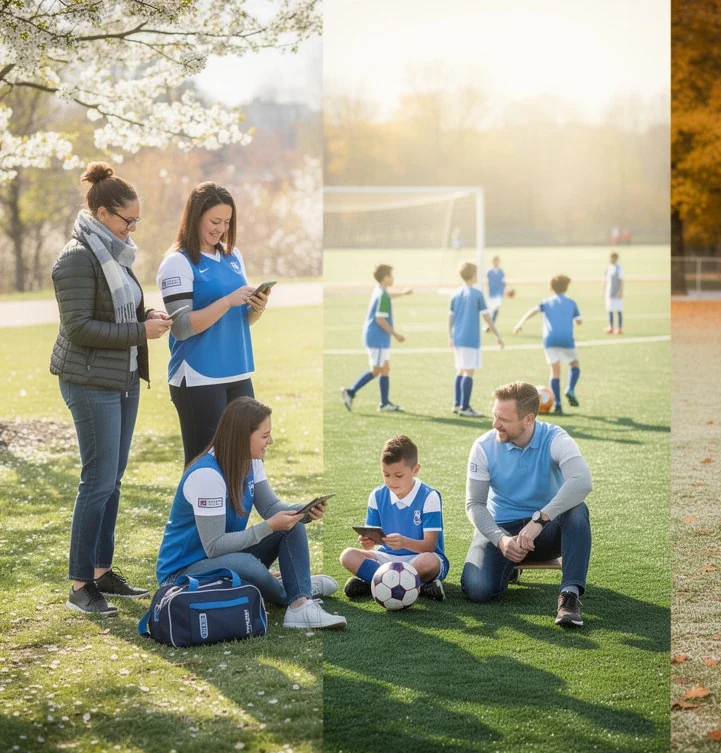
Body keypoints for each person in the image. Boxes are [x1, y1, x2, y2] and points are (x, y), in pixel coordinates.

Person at [52, 162, 172, 615]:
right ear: (103, 214)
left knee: (112, 479)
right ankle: (81, 586)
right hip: (87, 380)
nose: (134, 228)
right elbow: (80, 328)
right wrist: (140, 334)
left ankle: (102, 571)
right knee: (97, 480)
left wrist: (147, 320)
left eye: (137, 220)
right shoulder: (76, 258)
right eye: (129, 220)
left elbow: (121, 313)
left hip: (120, 377)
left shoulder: (114, 253)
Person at [154, 397, 346, 629]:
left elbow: (271, 508)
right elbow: (213, 546)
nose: (271, 441)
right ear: (242, 437)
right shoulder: (207, 476)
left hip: (224, 555)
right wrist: (268, 526)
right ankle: (292, 591)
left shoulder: (251, 461)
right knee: (248, 564)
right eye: (265, 436)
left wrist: (303, 512)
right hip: (182, 571)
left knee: (291, 524)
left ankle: (299, 602)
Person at [461, 382, 593, 627]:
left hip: (545, 533)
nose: (495, 424)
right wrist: (501, 540)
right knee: (477, 590)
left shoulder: (555, 437)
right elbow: (475, 504)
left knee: (577, 509)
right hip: (500, 530)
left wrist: (540, 520)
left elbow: (582, 481)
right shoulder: (483, 446)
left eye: (503, 419)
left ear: (528, 419)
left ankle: (570, 595)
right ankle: (509, 564)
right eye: (494, 415)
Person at [158, 183, 270, 461]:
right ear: (195, 217)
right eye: (215, 221)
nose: (221, 228)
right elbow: (182, 327)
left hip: (238, 370)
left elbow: (241, 321)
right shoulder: (177, 262)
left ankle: (238, 507)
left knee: (245, 458)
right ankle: (191, 508)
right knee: (203, 462)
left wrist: (257, 308)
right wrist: (226, 301)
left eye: (227, 222)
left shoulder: (234, 256)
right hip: (198, 375)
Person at [340, 435, 448, 601]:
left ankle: (375, 584)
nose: (391, 481)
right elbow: (375, 539)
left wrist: (404, 542)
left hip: (419, 559)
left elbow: (430, 546)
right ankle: (419, 589)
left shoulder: (429, 496)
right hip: (386, 559)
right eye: (386, 474)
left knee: (430, 561)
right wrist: (369, 542)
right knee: (347, 556)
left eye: (398, 475)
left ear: (415, 469)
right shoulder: (377, 495)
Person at [342, 264, 411, 413]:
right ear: (385, 277)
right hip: (377, 338)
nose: (393, 278)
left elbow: (388, 297)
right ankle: (351, 392)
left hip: (377, 338)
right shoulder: (383, 295)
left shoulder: (380, 291)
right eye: (391, 275)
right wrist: (396, 334)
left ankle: (384, 403)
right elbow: (380, 319)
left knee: (385, 368)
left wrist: (403, 294)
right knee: (377, 370)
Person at [514, 274, 582, 414]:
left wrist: (521, 323)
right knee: (574, 365)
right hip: (566, 339)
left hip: (550, 340)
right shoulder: (571, 302)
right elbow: (579, 321)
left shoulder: (547, 301)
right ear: (566, 287)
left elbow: (533, 311)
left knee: (555, 372)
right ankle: (570, 388)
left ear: (551, 288)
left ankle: (557, 403)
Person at [448, 261, 504, 418]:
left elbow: (450, 318)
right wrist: (497, 336)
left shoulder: (455, 294)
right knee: (468, 371)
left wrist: (450, 336)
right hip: (470, 338)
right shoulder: (477, 294)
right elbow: (487, 317)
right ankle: (465, 407)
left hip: (457, 337)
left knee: (460, 369)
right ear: (473, 275)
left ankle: (457, 403)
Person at [604, 251, 625, 334]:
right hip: (609, 292)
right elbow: (606, 280)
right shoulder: (608, 268)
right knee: (610, 310)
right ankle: (611, 327)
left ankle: (619, 328)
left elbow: (621, 280)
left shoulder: (619, 268)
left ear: (615, 258)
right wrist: (603, 290)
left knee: (618, 310)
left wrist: (620, 291)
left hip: (616, 292)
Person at [485, 254, 507, 326]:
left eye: (497, 261)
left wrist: (505, 290)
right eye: (495, 261)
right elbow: (487, 283)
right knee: (490, 310)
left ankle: (492, 324)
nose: (496, 263)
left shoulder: (501, 272)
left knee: (496, 307)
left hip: (499, 292)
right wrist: (487, 291)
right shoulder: (489, 272)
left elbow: (504, 282)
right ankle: (488, 324)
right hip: (491, 293)